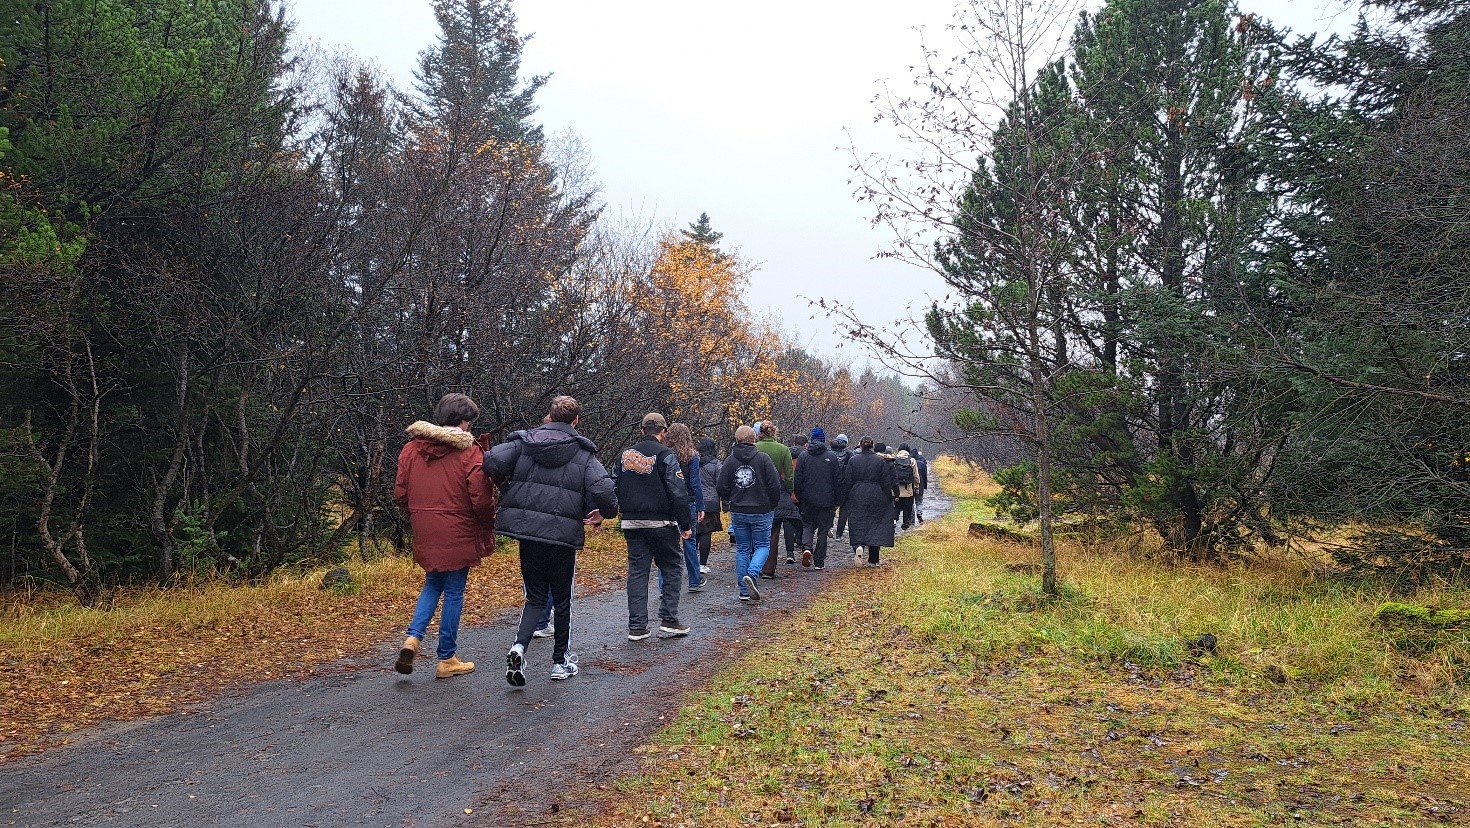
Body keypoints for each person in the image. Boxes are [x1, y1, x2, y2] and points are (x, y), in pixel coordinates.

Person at [484, 396, 618, 686]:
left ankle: (519, 647)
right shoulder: (583, 454)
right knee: (562, 599)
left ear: (549, 415)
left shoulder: (525, 443)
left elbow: (492, 460)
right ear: (576, 421)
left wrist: (509, 486)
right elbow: (605, 489)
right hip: (562, 536)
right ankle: (560, 662)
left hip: (528, 532)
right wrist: (604, 513)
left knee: (534, 597)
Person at [393, 393, 499, 679]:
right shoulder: (469, 451)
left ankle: (413, 638)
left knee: (432, 583)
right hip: (458, 526)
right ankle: (446, 658)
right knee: (453, 591)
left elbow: (400, 493)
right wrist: (488, 522)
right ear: (464, 421)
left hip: (425, 524)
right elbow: (480, 498)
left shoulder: (410, 449)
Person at [614, 413, 693, 641]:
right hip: (661, 522)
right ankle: (669, 620)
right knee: (671, 567)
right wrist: (685, 523)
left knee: (638, 572)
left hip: (631, 522)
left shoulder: (625, 455)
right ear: (663, 432)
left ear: (641, 430)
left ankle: (637, 626)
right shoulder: (665, 455)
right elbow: (677, 490)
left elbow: (614, 484)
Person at [716, 425, 782, 601]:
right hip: (762, 509)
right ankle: (752, 574)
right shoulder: (763, 459)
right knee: (762, 546)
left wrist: (731, 499)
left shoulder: (730, 461)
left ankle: (744, 592)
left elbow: (721, 486)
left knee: (743, 549)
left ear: (736, 440)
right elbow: (775, 485)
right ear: (754, 440)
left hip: (739, 511)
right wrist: (772, 504)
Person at [841, 436, 897, 567]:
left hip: (857, 494)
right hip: (876, 494)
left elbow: (847, 480)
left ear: (860, 445)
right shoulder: (880, 461)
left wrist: (844, 498)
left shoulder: (853, 460)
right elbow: (886, 482)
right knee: (875, 526)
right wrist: (888, 496)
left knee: (858, 522)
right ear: (872, 446)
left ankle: (858, 546)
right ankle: (873, 559)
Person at [794, 426, 845, 569]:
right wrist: (837, 501)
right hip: (827, 500)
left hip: (807, 499)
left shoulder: (804, 456)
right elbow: (838, 480)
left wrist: (800, 497)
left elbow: (798, 479)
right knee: (823, 530)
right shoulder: (832, 457)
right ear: (824, 440)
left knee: (808, 525)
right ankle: (819, 561)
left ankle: (807, 548)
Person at [664, 423, 707, 592]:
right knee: (689, 541)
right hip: (688, 501)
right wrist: (700, 506)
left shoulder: (665, 455)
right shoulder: (692, 456)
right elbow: (696, 483)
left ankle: (664, 586)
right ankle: (694, 581)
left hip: (668, 503)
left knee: (668, 545)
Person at [754, 421, 794, 578]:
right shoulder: (783, 449)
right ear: (774, 433)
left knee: (755, 531)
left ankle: (754, 565)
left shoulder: (755, 448)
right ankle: (769, 569)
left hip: (755, 494)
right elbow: (789, 475)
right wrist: (789, 490)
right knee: (774, 532)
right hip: (776, 494)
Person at [695, 437, 723, 574]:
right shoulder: (716, 464)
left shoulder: (694, 462)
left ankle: (692, 561)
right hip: (711, 502)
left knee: (694, 531)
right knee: (706, 532)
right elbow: (721, 484)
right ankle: (702, 564)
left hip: (695, 501)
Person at [830, 434, 852, 539]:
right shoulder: (849, 454)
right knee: (844, 510)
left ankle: (828, 527)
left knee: (830, 507)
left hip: (830, 484)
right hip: (844, 485)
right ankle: (839, 534)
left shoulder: (828, 452)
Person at [893, 444, 919, 530]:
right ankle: (906, 523)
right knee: (907, 508)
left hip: (896, 490)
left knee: (896, 507)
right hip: (908, 490)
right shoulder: (912, 460)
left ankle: (894, 521)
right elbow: (916, 476)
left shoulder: (894, 460)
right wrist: (916, 486)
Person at [914, 448, 930, 524]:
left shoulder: (909, 463)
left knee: (910, 503)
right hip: (920, 486)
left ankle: (910, 519)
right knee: (919, 501)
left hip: (910, 487)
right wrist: (925, 486)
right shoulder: (922, 464)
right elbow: (925, 476)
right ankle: (919, 513)